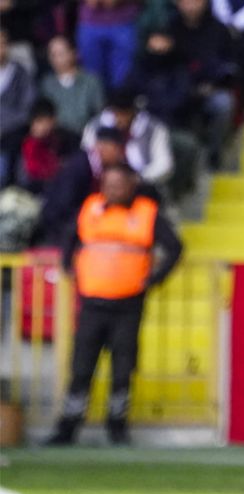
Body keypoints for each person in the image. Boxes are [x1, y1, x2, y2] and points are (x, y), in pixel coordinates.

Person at [44, 163, 183, 446]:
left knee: (123, 368)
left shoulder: (146, 213)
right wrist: (69, 267)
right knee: (81, 368)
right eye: (108, 184)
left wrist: (155, 279)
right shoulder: (91, 208)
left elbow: (175, 247)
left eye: (118, 184)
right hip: (92, 303)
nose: (112, 190)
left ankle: (117, 427)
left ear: (131, 184)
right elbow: (69, 240)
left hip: (128, 305)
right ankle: (68, 427)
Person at [169, 0, 238, 170]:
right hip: (177, 91)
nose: (191, 6)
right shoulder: (170, 29)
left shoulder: (218, 29)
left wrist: (215, 83)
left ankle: (214, 152)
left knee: (223, 103)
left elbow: (230, 64)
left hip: (211, 89)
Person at [34, 126, 126, 247]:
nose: (121, 156)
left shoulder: (100, 169)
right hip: (59, 231)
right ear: (103, 147)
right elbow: (64, 206)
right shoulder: (78, 167)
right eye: (118, 150)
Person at [82, 90, 175, 188]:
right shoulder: (95, 127)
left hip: (143, 184)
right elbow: (87, 157)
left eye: (125, 113)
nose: (120, 118)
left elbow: (164, 165)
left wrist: (138, 178)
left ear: (134, 112)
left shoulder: (154, 128)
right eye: (116, 113)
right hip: (102, 183)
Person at [39, 35, 106, 136]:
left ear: (74, 54)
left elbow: (99, 113)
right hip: (56, 138)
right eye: (52, 54)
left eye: (60, 54)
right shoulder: (46, 84)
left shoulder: (91, 81)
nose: (56, 59)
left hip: (86, 136)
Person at [75, 0, 139, 90]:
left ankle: (121, 100)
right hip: (90, 23)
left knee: (124, 75)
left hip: (124, 22)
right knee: (92, 74)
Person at [0, 28, 35, 187]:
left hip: (12, 136)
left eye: (2, 43)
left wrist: (4, 127)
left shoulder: (20, 73)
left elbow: (27, 108)